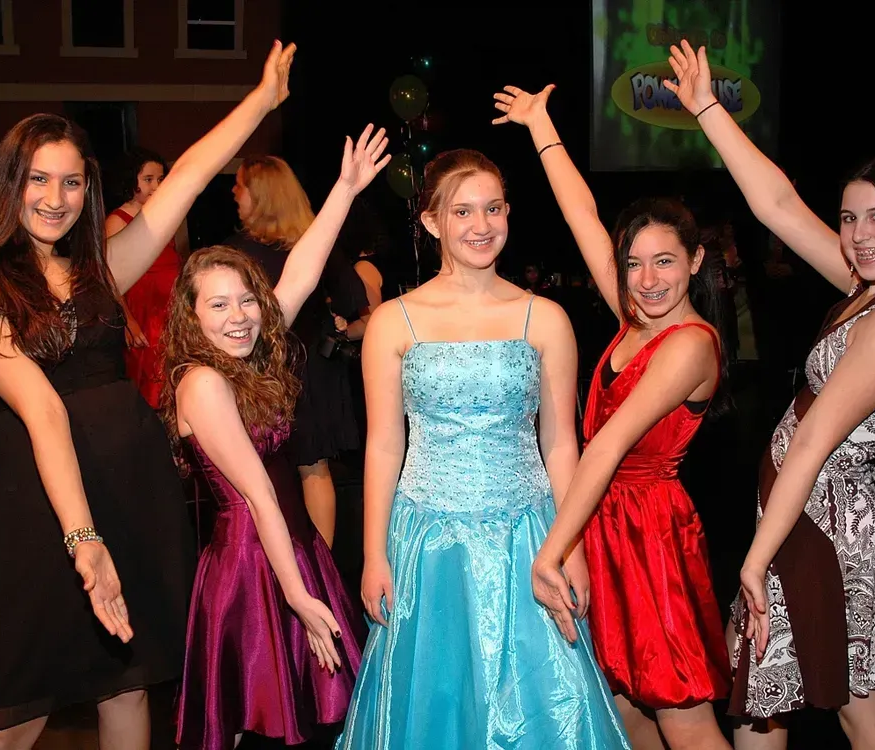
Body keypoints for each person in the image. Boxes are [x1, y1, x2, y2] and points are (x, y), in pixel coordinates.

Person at [0, 40, 296, 750]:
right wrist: (82, 539)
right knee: (16, 708)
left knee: (129, 682)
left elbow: (188, 178)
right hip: (49, 506)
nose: (54, 199)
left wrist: (262, 99)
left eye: (71, 184)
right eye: (39, 180)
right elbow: (40, 408)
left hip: (136, 488)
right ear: (10, 182)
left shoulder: (102, 271)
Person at [667, 40, 875, 748]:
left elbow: (812, 439)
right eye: (848, 218)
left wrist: (753, 557)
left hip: (823, 526)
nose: (859, 236)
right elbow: (776, 204)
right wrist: (707, 108)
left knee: (859, 711)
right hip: (804, 513)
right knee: (772, 700)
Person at [334, 148, 630, 749]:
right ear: (432, 222)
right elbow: (384, 447)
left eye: (492, 208)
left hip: (529, 539)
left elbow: (560, 442)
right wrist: (373, 553)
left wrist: (570, 547)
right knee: (436, 709)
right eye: (462, 210)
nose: (480, 224)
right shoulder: (394, 321)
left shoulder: (544, 318)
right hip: (427, 545)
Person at [493, 84, 732, 750]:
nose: (647, 279)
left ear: (696, 261)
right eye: (634, 264)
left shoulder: (689, 343)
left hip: (650, 534)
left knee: (681, 713)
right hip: (605, 523)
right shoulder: (635, 318)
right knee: (625, 707)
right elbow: (581, 216)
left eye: (664, 262)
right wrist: (542, 126)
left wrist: (552, 551)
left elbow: (607, 444)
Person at [164, 124, 387, 748]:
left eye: (246, 302)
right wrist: (296, 595)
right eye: (218, 306)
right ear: (192, 316)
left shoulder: (250, 357)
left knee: (290, 715)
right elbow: (260, 494)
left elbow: (304, 274)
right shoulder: (203, 382)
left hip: (292, 544)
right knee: (243, 715)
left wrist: (342, 190)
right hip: (250, 567)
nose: (238, 317)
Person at [224, 155, 369, 548]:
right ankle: (319, 569)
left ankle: (277, 566)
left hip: (270, 375)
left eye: (240, 185)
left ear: (262, 194)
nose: (234, 192)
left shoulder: (234, 258)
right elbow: (358, 302)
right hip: (309, 371)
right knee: (313, 469)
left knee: (268, 471)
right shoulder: (313, 245)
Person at [105, 147, 187, 408]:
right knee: (151, 387)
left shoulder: (165, 213)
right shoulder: (117, 220)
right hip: (144, 309)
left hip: (171, 305)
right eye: (148, 179)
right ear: (131, 180)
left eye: (160, 179)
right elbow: (109, 278)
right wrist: (128, 321)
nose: (156, 185)